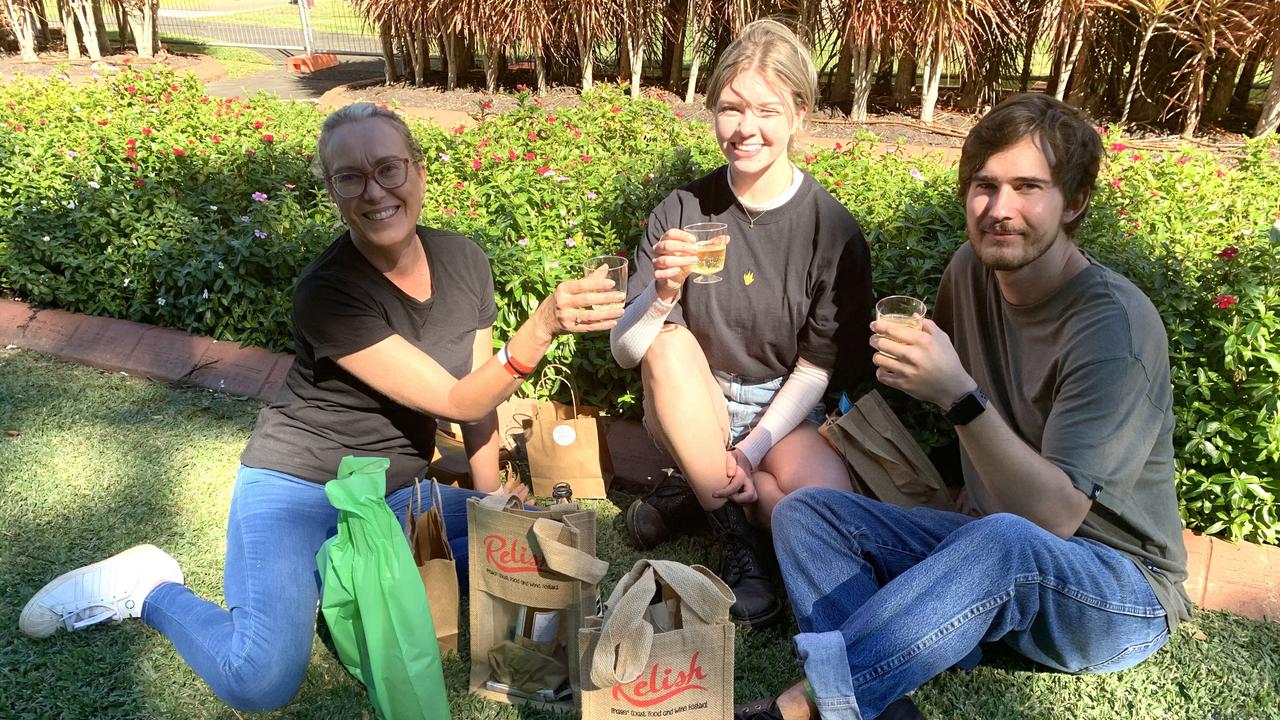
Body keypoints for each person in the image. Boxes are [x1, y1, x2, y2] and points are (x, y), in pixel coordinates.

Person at [18, 103, 624, 712]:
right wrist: (540, 327)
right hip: (299, 488)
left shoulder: (463, 260)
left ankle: (344, 579)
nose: (374, 191)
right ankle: (148, 588)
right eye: (350, 177)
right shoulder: (328, 292)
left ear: (418, 172)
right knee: (259, 679)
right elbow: (451, 397)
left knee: (550, 545)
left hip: (395, 495)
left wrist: (491, 504)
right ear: (331, 189)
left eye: (388, 168)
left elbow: (478, 403)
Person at [734, 93, 1193, 720]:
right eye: (985, 186)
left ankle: (805, 707)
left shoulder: (1114, 329)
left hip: (1114, 590)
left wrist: (954, 392)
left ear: (1075, 201)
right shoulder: (969, 273)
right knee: (806, 515)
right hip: (988, 549)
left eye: (1028, 187)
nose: (1000, 210)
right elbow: (965, 423)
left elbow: (1054, 521)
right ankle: (879, 699)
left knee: (1005, 540)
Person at [610, 19, 873, 629]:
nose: (745, 128)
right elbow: (627, 353)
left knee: (816, 510)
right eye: (730, 108)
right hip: (694, 398)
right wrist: (660, 293)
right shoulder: (683, 210)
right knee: (669, 346)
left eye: (767, 110)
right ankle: (737, 545)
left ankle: (698, 499)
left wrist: (750, 453)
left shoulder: (830, 230)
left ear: (799, 113)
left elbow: (816, 368)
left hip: (784, 410)